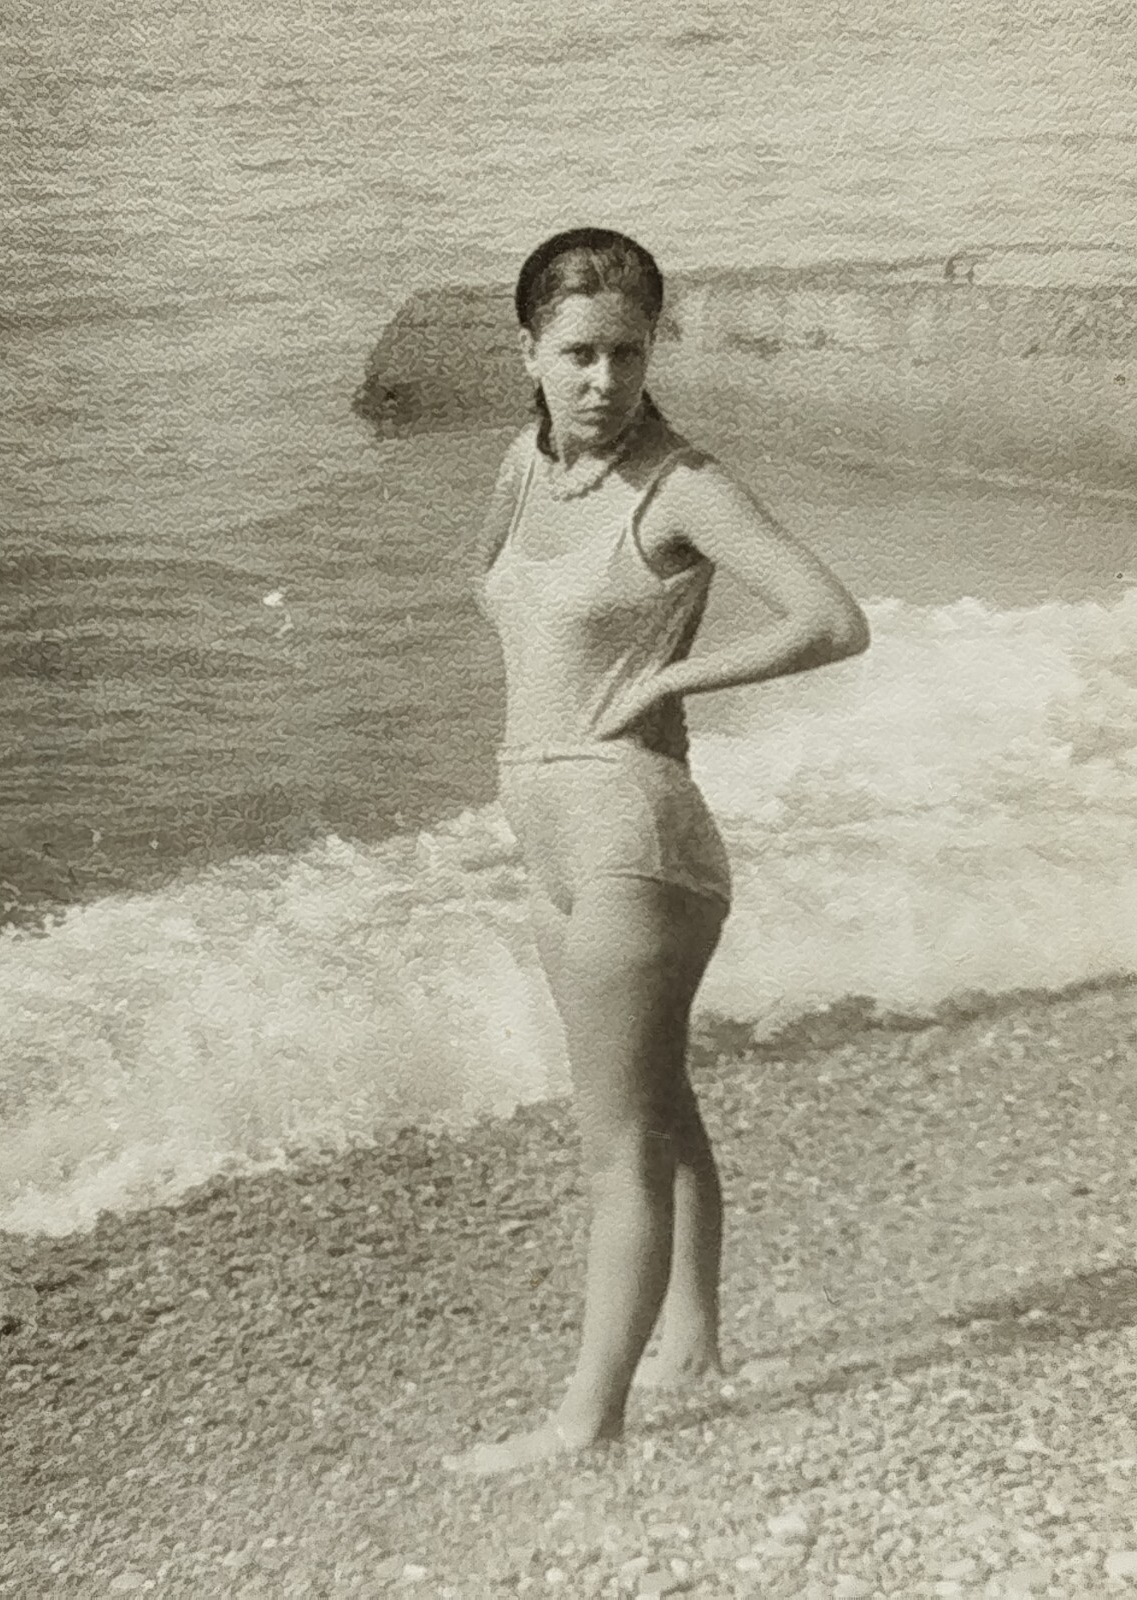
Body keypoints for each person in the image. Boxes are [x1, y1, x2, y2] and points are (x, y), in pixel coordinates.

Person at [447, 228, 869, 1476]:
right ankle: (692, 1341)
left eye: (628, 352)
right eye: (578, 353)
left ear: (651, 352)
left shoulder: (680, 484)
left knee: (615, 1141)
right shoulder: (518, 468)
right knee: (658, 1106)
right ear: (527, 350)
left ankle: (587, 1424)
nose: (603, 379)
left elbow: (831, 619)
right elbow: (492, 590)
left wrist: (674, 670)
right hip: (551, 839)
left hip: (640, 832)